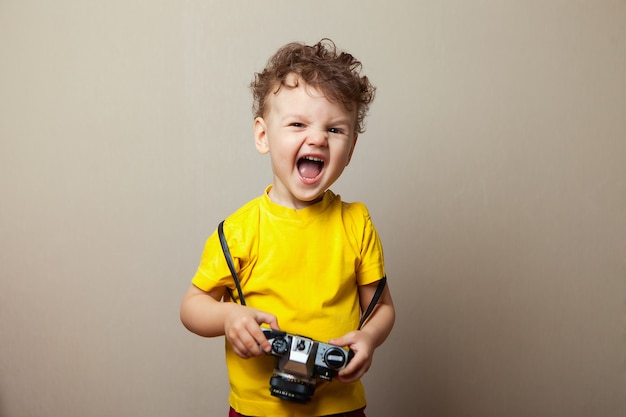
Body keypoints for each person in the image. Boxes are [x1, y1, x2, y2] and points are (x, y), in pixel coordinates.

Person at [180, 39, 395, 417]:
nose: (317, 138)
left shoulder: (356, 223)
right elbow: (192, 308)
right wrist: (230, 318)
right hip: (257, 409)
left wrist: (369, 338)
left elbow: (382, 308)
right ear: (263, 135)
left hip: (340, 405)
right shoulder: (239, 230)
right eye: (298, 124)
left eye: (335, 130)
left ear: (352, 148)